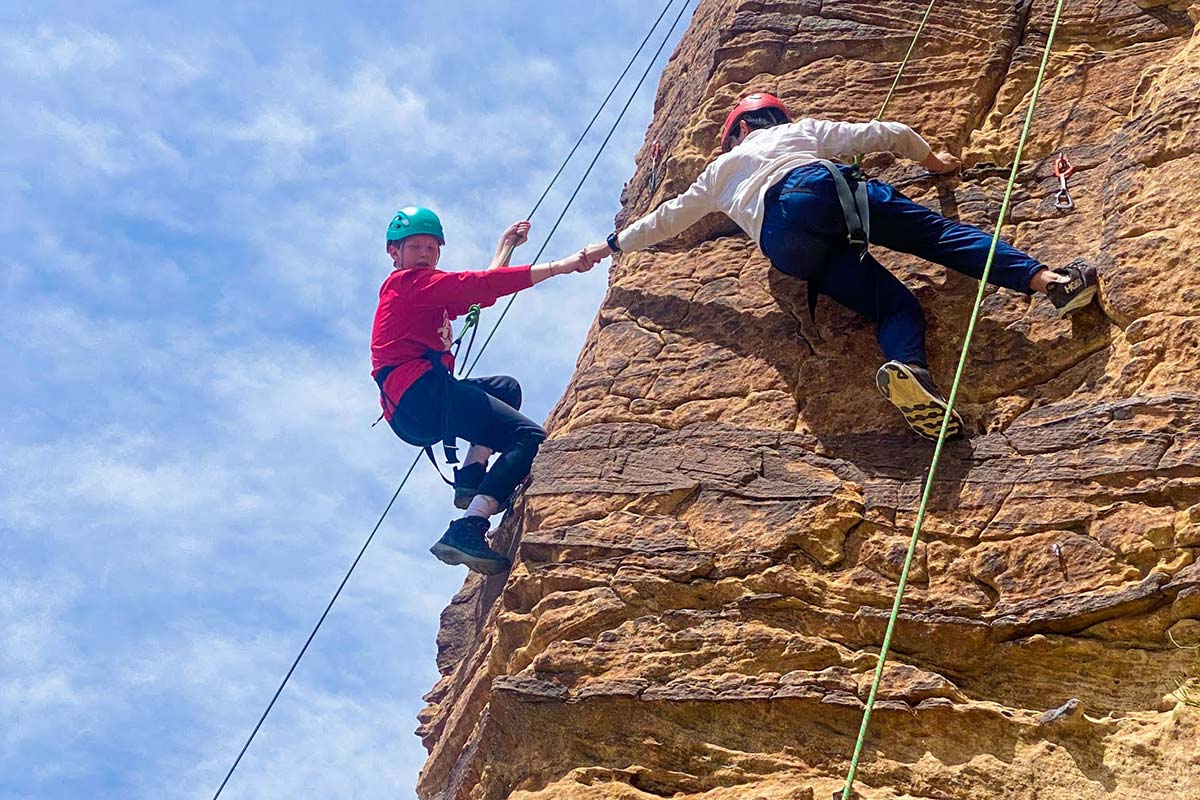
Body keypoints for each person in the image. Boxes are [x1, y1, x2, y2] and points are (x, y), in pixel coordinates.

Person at [582, 93, 1098, 440]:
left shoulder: (717, 174)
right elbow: (887, 132)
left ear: (736, 134)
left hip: (783, 246)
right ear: (773, 120)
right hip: (815, 189)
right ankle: (1050, 282)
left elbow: (666, 220)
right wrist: (935, 163)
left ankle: (910, 371)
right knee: (938, 238)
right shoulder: (798, 132)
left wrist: (611, 246)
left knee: (892, 304)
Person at [371, 206, 594, 575]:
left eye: (432, 247)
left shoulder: (426, 291)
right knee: (529, 437)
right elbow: (481, 287)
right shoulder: (407, 285)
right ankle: (469, 526)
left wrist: (506, 247)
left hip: (416, 402)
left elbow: (480, 292)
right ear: (395, 253)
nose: (425, 254)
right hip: (420, 395)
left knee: (505, 388)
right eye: (415, 247)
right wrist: (561, 266)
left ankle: (472, 478)